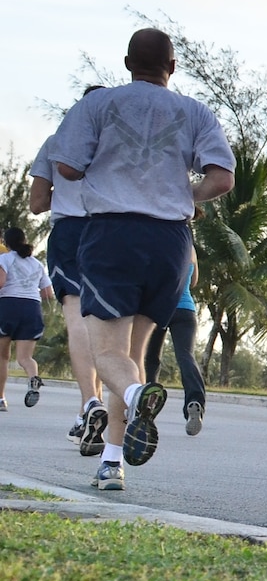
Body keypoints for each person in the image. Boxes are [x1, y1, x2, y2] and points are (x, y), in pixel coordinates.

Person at [46, 30, 234, 492]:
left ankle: (134, 403)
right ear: (172, 66)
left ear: (128, 62)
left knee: (107, 352)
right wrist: (187, 195)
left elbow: (66, 166)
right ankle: (113, 459)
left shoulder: (98, 104)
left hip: (112, 233)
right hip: (171, 241)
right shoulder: (194, 111)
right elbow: (223, 177)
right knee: (133, 354)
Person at [28, 85, 109, 452]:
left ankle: (90, 402)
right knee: (109, 325)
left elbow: (37, 203)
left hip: (70, 232)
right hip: (112, 232)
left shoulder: (56, 141)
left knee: (76, 317)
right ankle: (88, 410)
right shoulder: (116, 141)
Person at [142, 259, 206, 435]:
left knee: (151, 359)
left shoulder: (157, 241)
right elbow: (193, 281)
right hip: (185, 309)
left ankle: (147, 407)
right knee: (186, 356)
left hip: (159, 307)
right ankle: (195, 401)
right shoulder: (190, 247)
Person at [0, 228, 54, 411]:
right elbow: (48, 293)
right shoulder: (37, 264)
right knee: (25, 357)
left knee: (2, 357)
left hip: (8, 306)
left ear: (6, 243)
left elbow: (0, 282)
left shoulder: (4, 259)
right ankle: (33, 378)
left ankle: (0, 399)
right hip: (32, 309)